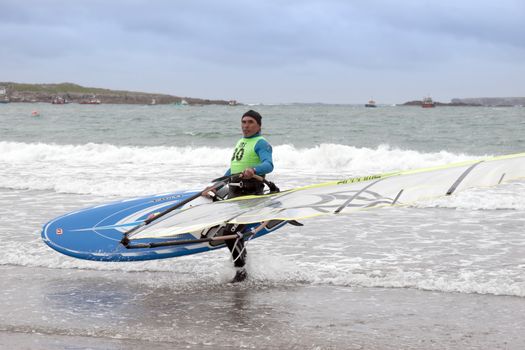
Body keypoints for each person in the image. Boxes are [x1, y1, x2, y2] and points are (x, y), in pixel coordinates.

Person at [223, 109, 274, 282]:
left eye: (250, 122)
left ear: (259, 125)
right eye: (244, 122)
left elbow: (268, 165)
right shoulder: (241, 142)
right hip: (234, 194)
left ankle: (241, 272)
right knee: (231, 233)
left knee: (229, 233)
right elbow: (235, 168)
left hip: (249, 194)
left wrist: (254, 170)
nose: (246, 126)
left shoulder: (261, 143)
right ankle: (242, 270)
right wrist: (219, 182)